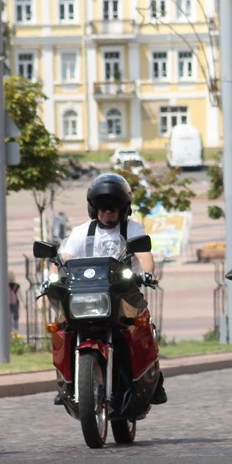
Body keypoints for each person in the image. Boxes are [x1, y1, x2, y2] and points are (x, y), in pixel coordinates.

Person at [60, 172, 167, 405]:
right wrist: (56, 274)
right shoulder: (82, 232)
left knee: (142, 324)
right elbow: (66, 258)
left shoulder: (133, 229)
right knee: (62, 326)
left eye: (113, 207)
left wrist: (147, 273)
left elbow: (144, 255)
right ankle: (66, 380)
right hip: (87, 292)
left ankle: (152, 379)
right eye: (103, 207)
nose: (108, 212)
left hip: (124, 291)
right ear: (94, 208)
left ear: (123, 208)